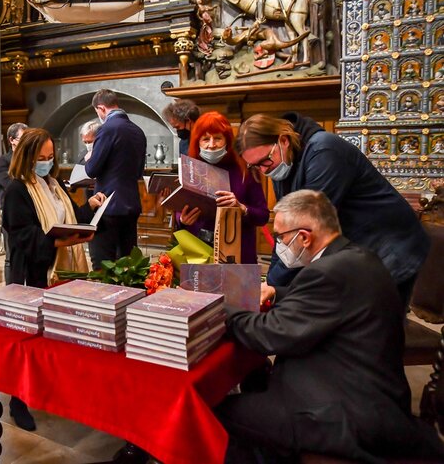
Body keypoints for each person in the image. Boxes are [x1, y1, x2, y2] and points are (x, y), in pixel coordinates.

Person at [217, 190, 444, 463]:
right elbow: (331, 299)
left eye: (280, 237)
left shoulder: (325, 272)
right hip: (372, 394)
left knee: (218, 411)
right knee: (257, 376)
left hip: (342, 414)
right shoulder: (357, 257)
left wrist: (221, 309)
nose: (278, 244)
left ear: (304, 237)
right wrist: (277, 291)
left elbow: (270, 335)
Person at [236, 112, 429, 304]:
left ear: (284, 140)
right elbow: (286, 232)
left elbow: (304, 227)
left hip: (389, 245)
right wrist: (270, 283)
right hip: (357, 251)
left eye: (265, 160)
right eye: (255, 166)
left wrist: (273, 286)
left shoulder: (325, 151)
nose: (264, 170)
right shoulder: (282, 165)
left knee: (375, 321)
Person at [3, 128, 105, 431]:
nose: (46, 163)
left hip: (65, 270)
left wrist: (91, 210)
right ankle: (17, 401)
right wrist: (58, 242)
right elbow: (21, 235)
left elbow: (69, 217)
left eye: (50, 157)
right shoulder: (17, 190)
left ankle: (52, 391)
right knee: (29, 340)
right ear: (27, 157)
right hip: (34, 273)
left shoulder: (55, 184)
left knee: (58, 337)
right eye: (40, 158)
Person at [174, 112, 268, 264]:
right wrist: (182, 220)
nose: (211, 145)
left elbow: (263, 215)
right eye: (205, 139)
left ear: (227, 140)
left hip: (238, 256)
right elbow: (179, 212)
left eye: (217, 138)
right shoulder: (190, 169)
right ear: (197, 142)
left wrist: (242, 208)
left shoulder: (245, 169)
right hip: (199, 255)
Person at [85, 89, 147, 267]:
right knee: (127, 264)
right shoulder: (138, 131)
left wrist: (90, 158)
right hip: (131, 203)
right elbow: (138, 172)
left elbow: (92, 170)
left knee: (103, 263)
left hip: (108, 205)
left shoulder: (107, 129)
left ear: (101, 108)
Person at [0, 122, 27, 284]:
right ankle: (11, 290)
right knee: (11, 256)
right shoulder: (3, 161)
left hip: (29, 211)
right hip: (11, 212)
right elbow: (9, 184)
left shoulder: (30, 158)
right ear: (12, 140)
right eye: (23, 138)